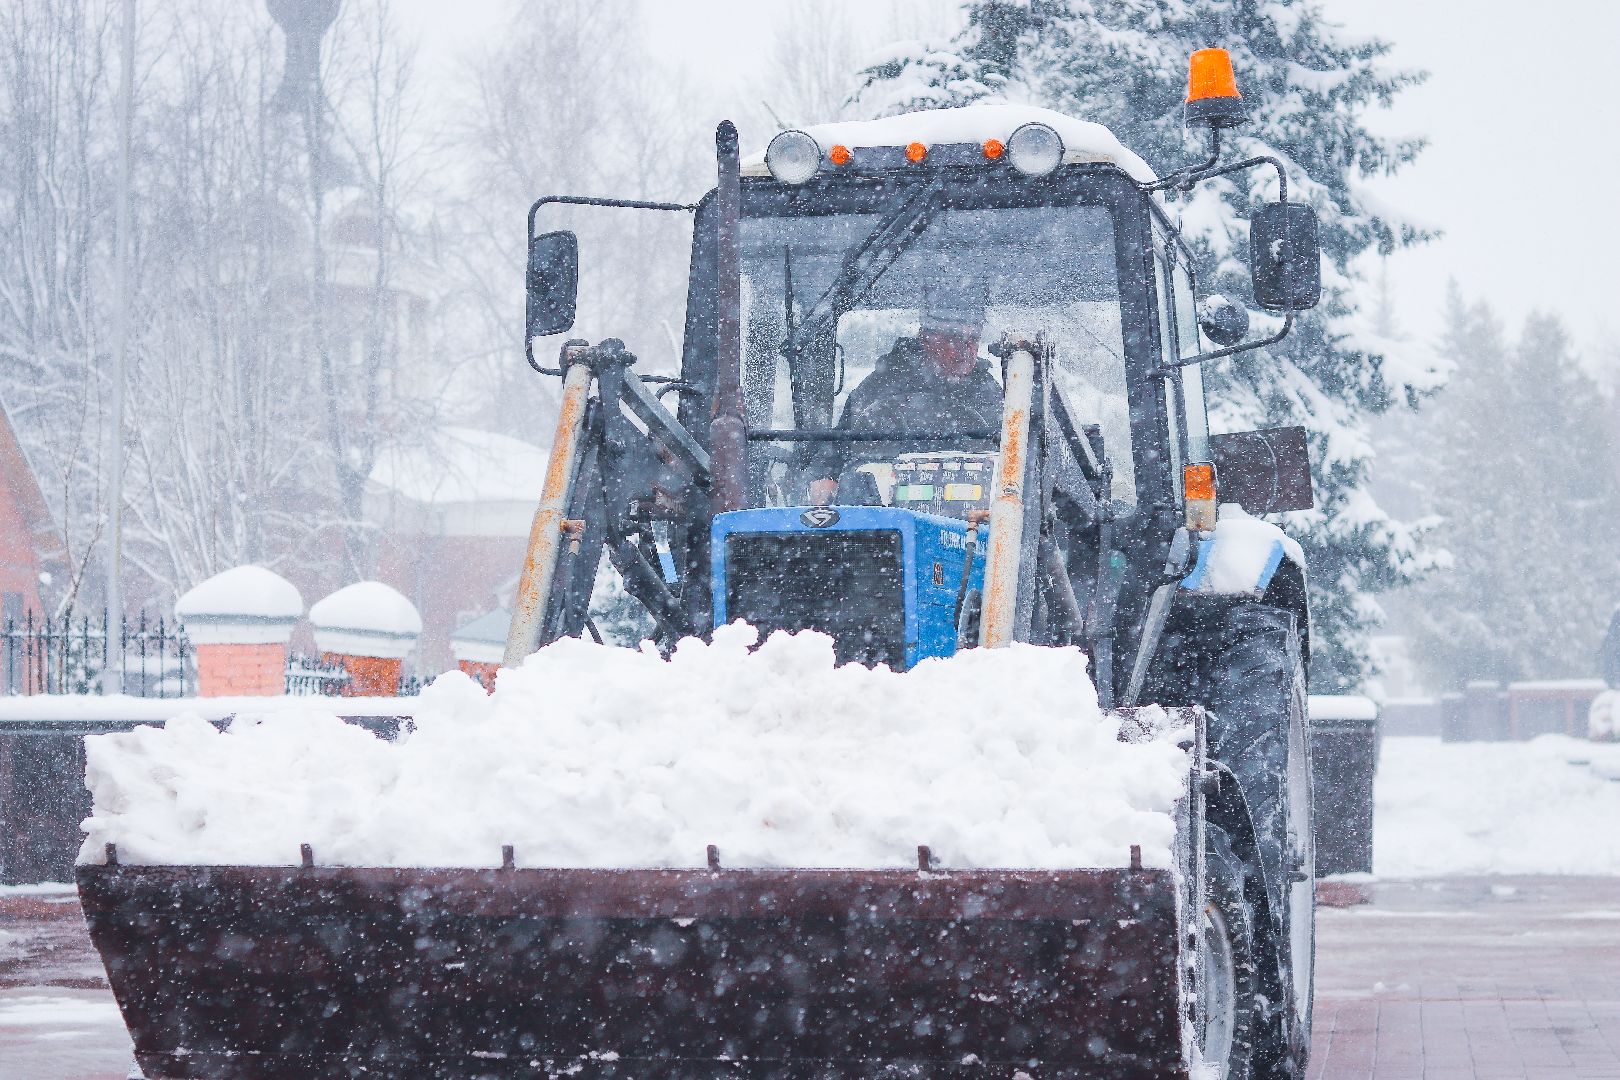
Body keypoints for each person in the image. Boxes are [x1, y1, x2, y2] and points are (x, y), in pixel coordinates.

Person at [806, 287, 1003, 505]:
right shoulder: (882, 383)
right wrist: (825, 476)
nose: (965, 350)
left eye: (973, 339)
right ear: (926, 339)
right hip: (883, 508)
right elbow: (838, 444)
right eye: (954, 338)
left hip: (970, 507)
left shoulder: (988, 393)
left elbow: (1012, 450)